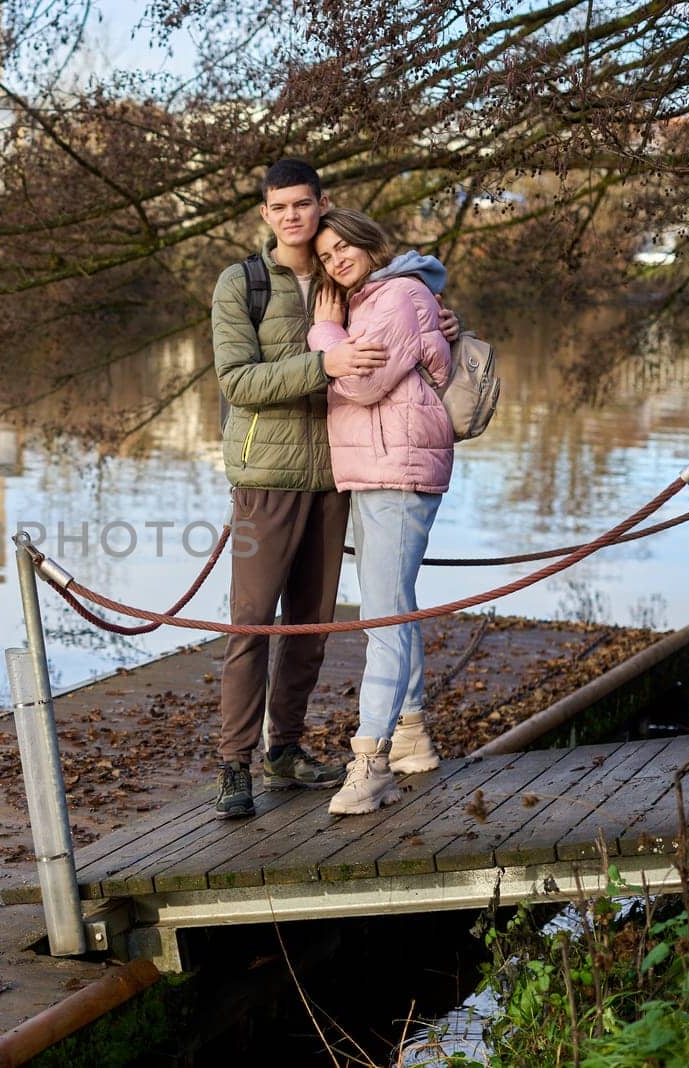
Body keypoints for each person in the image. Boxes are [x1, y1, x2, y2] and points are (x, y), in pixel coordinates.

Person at [210, 160, 458, 820]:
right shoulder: (245, 283)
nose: (292, 216)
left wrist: (436, 325)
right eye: (279, 207)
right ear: (265, 214)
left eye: (303, 205)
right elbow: (237, 381)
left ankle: (284, 749)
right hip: (266, 475)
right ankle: (235, 762)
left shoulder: (340, 278)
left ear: (323, 205)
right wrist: (324, 361)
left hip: (338, 476)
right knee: (250, 622)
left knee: (312, 627)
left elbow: (399, 315)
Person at [307, 207, 454, 816]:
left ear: (369, 243)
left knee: (383, 618)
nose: (336, 259)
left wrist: (324, 333)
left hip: (399, 468)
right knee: (393, 605)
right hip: (378, 467)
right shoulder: (372, 300)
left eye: (343, 246)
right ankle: (413, 735)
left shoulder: (394, 297)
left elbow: (363, 386)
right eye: (325, 255)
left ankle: (370, 763)